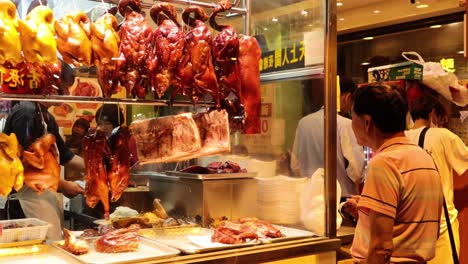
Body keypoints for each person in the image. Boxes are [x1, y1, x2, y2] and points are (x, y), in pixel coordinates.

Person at [349, 83, 444, 263]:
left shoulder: (384, 162)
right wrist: (368, 211)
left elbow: (381, 248)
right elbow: (412, 218)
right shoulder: (424, 157)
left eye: (352, 116)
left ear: (367, 122)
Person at [405, 95, 468, 264]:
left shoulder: (401, 138)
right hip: (441, 224)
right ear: (434, 114)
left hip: (409, 227)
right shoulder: (443, 135)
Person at [291, 78, 365, 200]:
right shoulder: (346, 125)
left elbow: (295, 165)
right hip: (341, 198)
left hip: (309, 198)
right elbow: (356, 172)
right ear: (347, 97)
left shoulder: (303, 123)